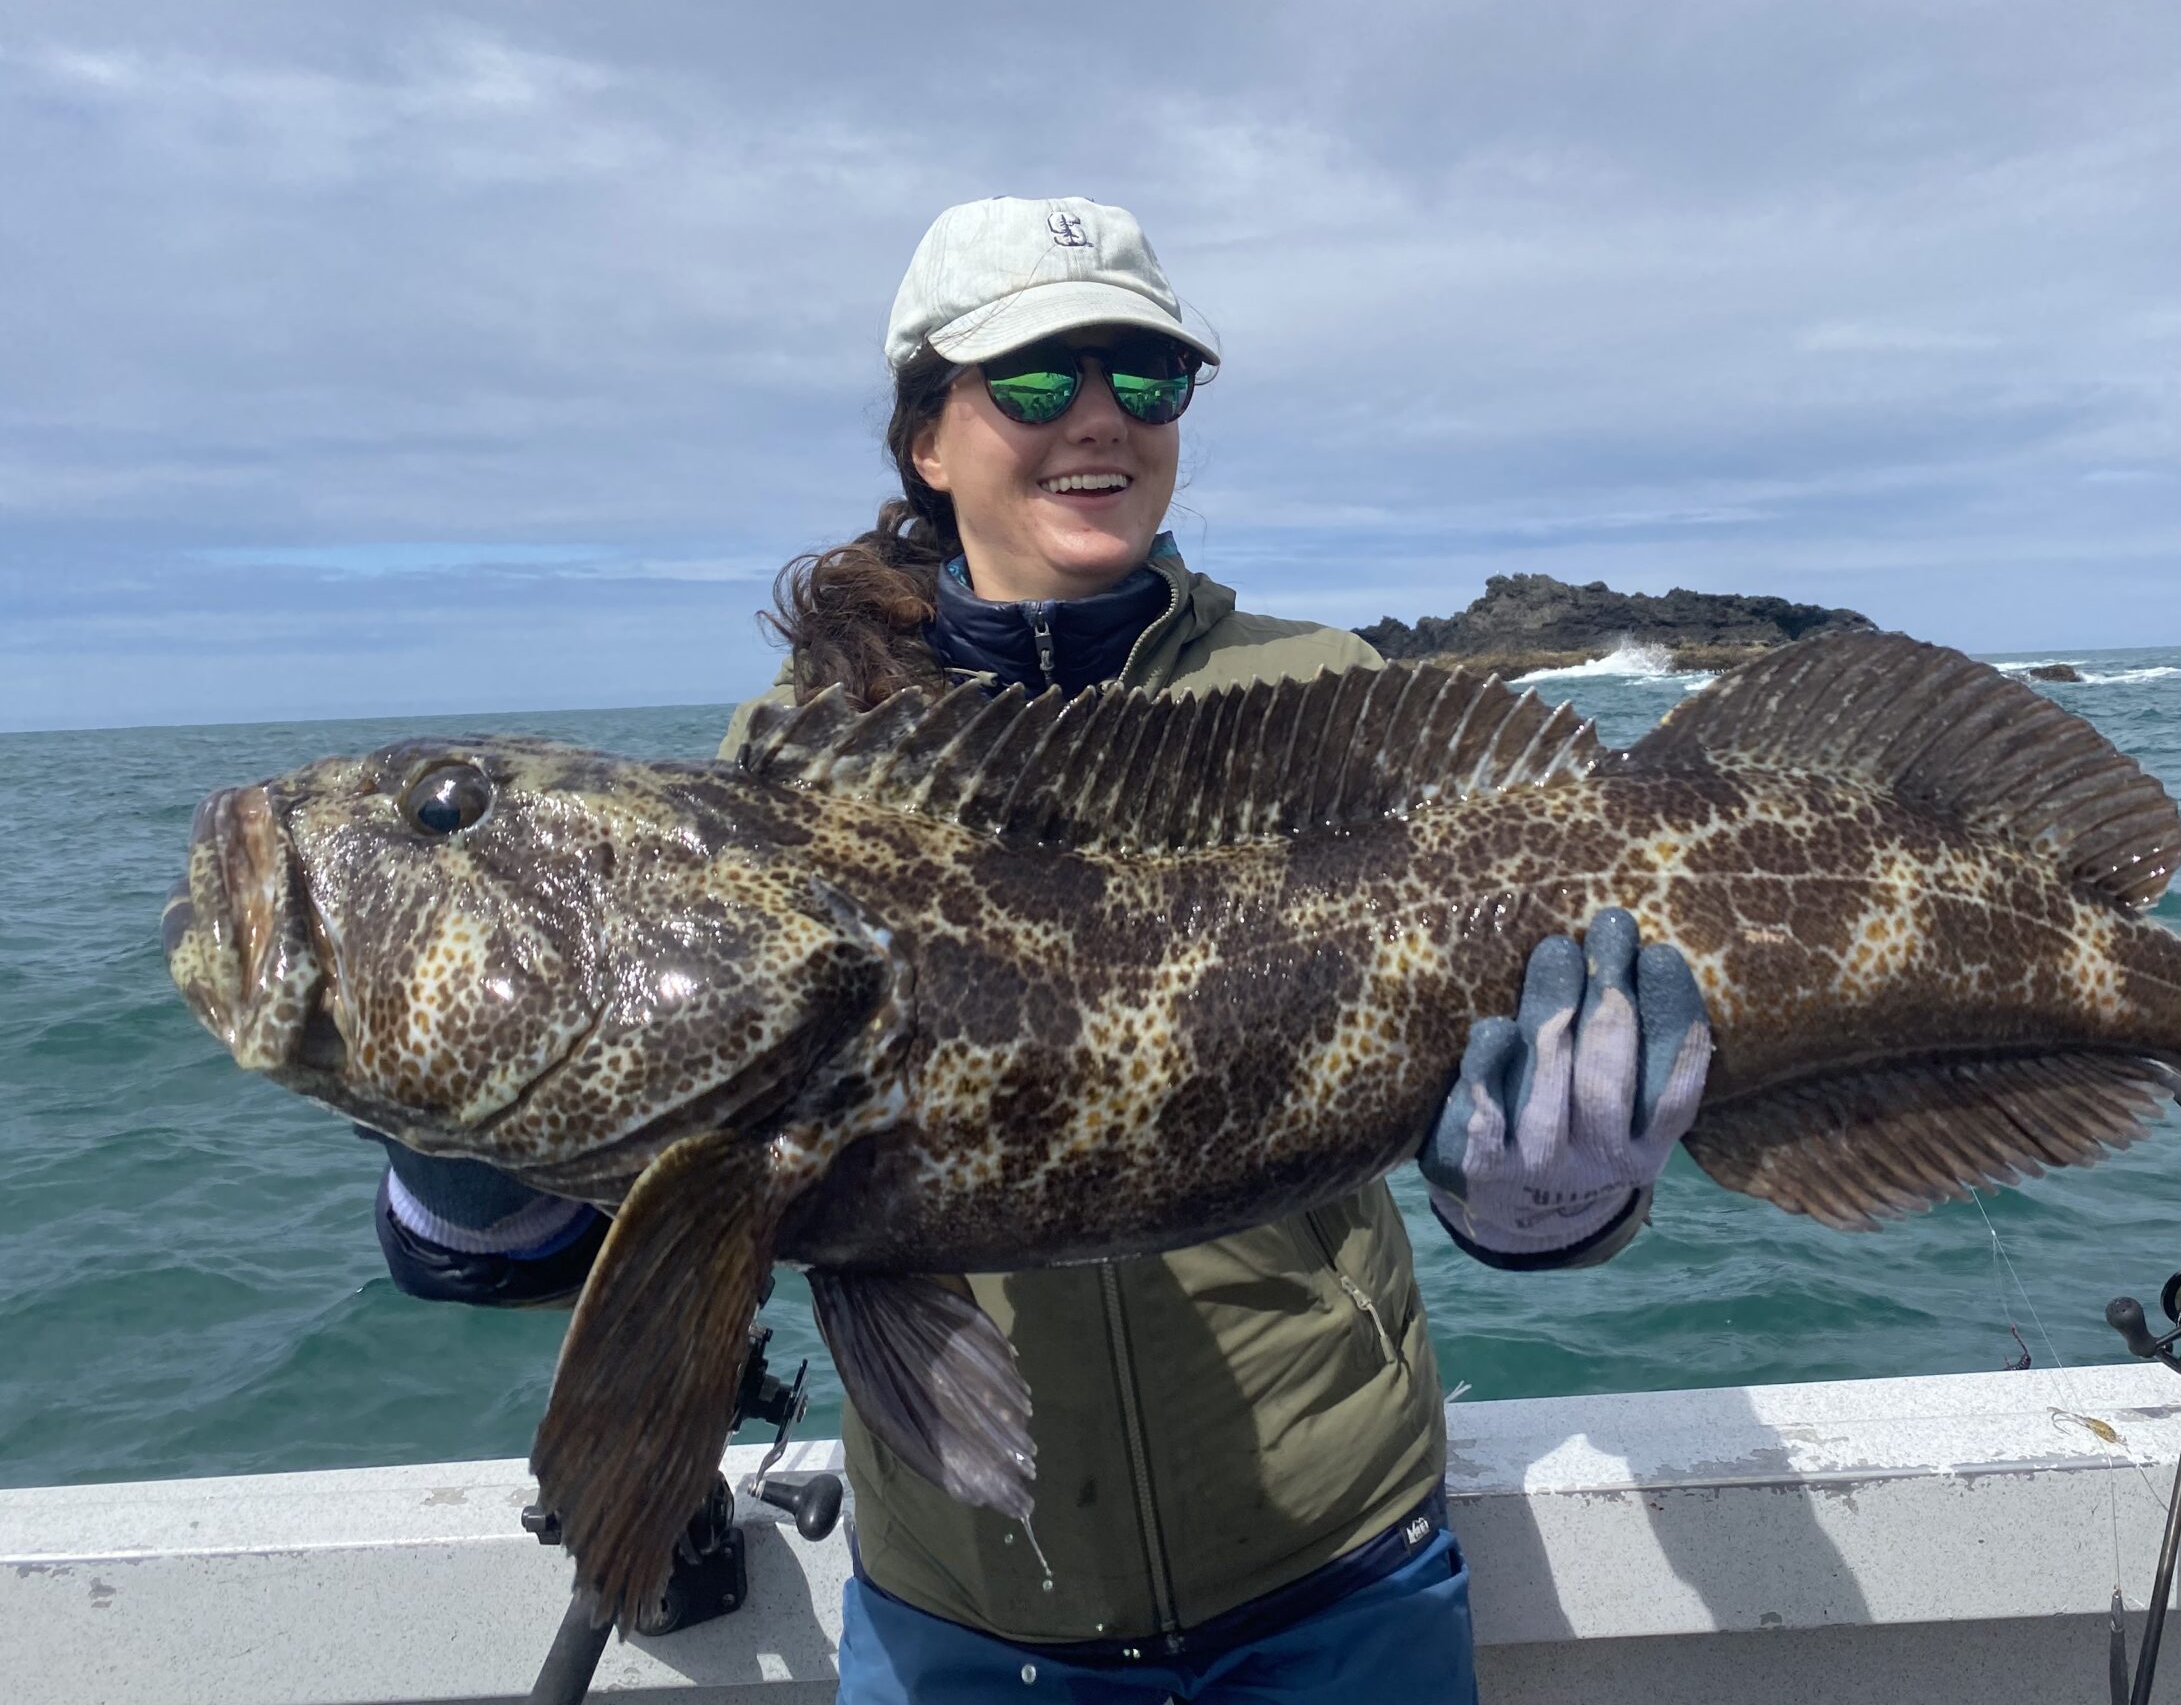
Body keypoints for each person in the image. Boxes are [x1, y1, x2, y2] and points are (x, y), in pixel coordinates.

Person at [373, 196, 1713, 1704]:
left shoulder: (1321, 693)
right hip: (967, 1619)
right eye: (1033, 379)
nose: (1100, 420)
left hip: (1340, 1576)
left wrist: (1558, 1200)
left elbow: (1481, 1078)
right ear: (926, 442)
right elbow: (647, 1205)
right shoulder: (797, 763)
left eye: (1146, 380)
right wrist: (479, 1164)